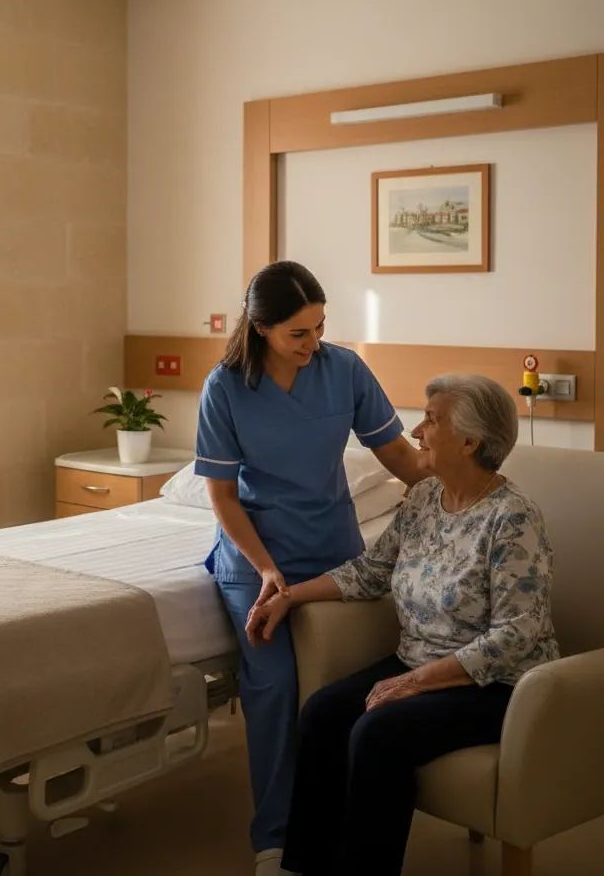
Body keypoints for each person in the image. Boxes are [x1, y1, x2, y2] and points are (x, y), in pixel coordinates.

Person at [247, 373, 559, 876]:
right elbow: (372, 571)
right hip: (418, 661)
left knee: (378, 732)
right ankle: (305, 866)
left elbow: (517, 632)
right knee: (324, 711)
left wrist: (415, 682)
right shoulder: (422, 500)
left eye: (431, 420)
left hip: (494, 684)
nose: (417, 432)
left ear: (470, 441)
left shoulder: (513, 518)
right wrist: (287, 596)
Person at [194, 261, 425, 875]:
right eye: (299, 334)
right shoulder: (226, 388)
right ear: (262, 328)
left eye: (320, 327)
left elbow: (398, 454)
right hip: (257, 555)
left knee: (337, 685)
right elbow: (221, 497)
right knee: (271, 688)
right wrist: (267, 570)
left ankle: (340, 817)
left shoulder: (343, 370)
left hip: (333, 548)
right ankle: (275, 838)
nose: (313, 343)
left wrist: (462, 485)